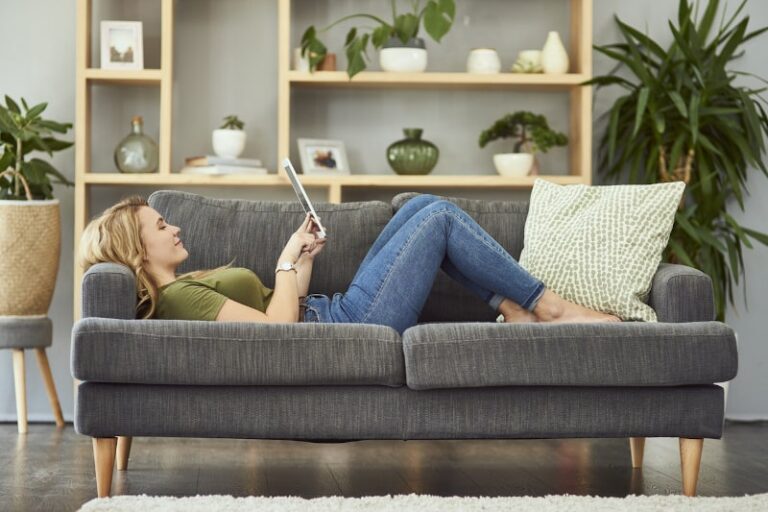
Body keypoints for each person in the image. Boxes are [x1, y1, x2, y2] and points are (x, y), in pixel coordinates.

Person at [79, 194, 619, 333]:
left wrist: (303, 259)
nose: (173, 227)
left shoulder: (187, 285)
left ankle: (516, 310)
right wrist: (285, 261)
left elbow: (281, 306)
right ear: (137, 249)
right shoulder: (177, 299)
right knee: (441, 219)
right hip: (347, 325)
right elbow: (276, 331)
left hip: (330, 312)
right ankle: (546, 307)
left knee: (421, 208)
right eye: (159, 226)